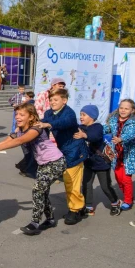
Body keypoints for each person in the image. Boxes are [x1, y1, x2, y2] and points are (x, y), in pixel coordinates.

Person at [0, 103, 67, 235]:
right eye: (17, 114)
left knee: (37, 190)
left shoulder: (36, 128)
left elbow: (20, 140)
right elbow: (12, 137)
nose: (18, 117)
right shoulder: (20, 129)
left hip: (56, 162)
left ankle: (34, 223)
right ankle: (50, 219)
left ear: (31, 117)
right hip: (43, 164)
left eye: (22, 115)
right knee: (43, 191)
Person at [38, 88, 88, 225]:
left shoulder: (69, 113)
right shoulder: (49, 113)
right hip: (63, 152)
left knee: (71, 181)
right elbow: (42, 124)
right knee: (68, 181)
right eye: (51, 100)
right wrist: (25, 125)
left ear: (64, 101)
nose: (52, 102)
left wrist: (49, 124)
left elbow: (65, 122)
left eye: (56, 100)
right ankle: (79, 206)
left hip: (75, 150)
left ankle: (75, 210)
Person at [74, 105, 122, 216]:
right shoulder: (82, 127)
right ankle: (88, 206)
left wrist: (84, 135)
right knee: (86, 184)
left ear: (92, 117)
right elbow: (73, 128)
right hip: (89, 162)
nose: (81, 117)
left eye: (84, 115)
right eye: (80, 114)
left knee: (105, 186)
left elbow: (94, 136)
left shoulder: (97, 127)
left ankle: (115, 203)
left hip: (102, 163)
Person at [104, 99, 135, 214]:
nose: (123, 110)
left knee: (126, 179)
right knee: (118, 178)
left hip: (128, 155)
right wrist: (96, 129)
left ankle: (128, 200)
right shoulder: (113, 120)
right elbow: (106, 129)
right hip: (116, 155)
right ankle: (127, 196)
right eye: (121, 108)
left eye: (126, 108)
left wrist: (121, 139)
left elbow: (131, 134)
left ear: (132, 110)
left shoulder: (134, 122)